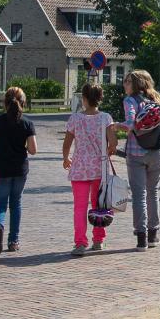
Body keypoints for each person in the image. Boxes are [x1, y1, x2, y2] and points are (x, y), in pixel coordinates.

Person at [63, 84, 117, 255]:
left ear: (84, 99)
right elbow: (113, 143)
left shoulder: (75, 119)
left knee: (79, 207)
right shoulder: (106, 118)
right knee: (99, 205)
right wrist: (108, 150)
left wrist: (66, 158)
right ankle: (99, 240)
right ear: (100, 98)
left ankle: (80, 243)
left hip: (79, 168)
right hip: (99, 169)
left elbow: (67, 142)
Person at [119, 69, 160, 250]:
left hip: (136, 153)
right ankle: (153, 236)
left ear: (136, 84)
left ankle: (141, 238)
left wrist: (114, 125)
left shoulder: (130, 100)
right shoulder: (157, 100)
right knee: (153, 193)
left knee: (139, 195)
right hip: (157, 153)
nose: (124, 84)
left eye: (127, 81)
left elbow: (130, 124)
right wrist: (154, 139)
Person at [0, 86, 38, 255]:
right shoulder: (27, 123)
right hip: (20, 169)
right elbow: (33, 149)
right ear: (23, 103)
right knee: (16, 204)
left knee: (0, 203)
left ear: (5, 103)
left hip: (2, 168)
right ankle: (13, 241)